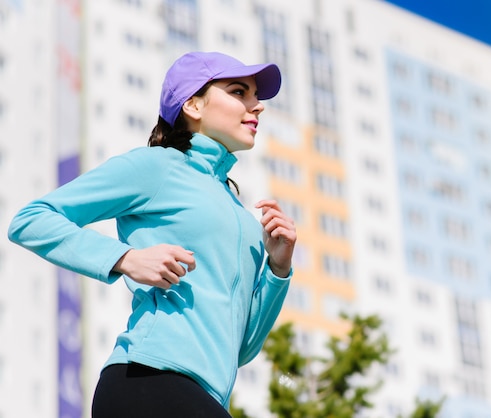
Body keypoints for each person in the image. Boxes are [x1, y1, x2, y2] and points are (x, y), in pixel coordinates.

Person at [8, 51, 296, 417]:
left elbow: (242, 348)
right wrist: (125, 259)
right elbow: (32, 219)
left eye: (256, 96)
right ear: (193, 105)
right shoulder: (158, 167)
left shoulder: (242, 216)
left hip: (206, 397)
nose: (257, 106)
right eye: (240, 92)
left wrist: (277, 269)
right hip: (149, 379)